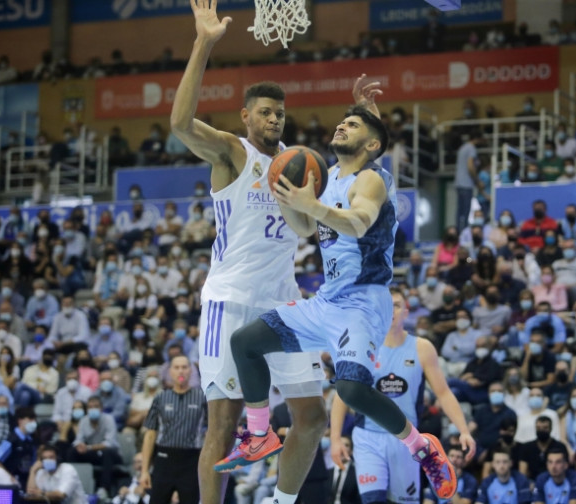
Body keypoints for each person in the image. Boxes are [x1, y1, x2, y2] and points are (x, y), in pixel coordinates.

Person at [170, 5, 380, 504]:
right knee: (224, 420)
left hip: (283, 304)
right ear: (246, 117)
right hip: (230, 300)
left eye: (279, 113)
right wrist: (204, 43)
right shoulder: (231, 153)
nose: (273, 118)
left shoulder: (299, 166)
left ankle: (281, 502)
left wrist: (364, 116)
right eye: (264, 112)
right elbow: (179, 123)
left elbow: (351, 168)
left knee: (309, 415)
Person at [216, 101, 463, 501]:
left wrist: (311, 204)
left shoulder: (372, 180)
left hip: (365, 301)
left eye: (353, 124)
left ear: (372, 145)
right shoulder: (326, 176)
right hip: (327, 302)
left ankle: (422, 447)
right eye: (342, 121)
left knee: (349, 390)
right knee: (245, 343)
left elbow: (359, 221)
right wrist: (287, 199)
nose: (342, 126)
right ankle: (259, 434)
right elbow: (306, 226)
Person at [330, 288, 476, 504]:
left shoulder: (422, 348)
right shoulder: (363, 345)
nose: (390, 311)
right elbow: (343, 394)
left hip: (408, 439)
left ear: (406, 312)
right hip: (367, 437)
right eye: (386, 305)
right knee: (373, 500)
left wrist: (464, 430)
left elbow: (443, 393)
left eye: (396, 305)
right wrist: (335, 439)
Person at [139, 355, 206, 504]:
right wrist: (144, 471)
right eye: (176, 367)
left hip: (191, 460)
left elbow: (210, 433)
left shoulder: (202, 398)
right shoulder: (161, 398)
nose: (180, 371)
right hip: (164, 459)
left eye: (184, 367)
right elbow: (150, 435)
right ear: (170, 372)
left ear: (191, 371)